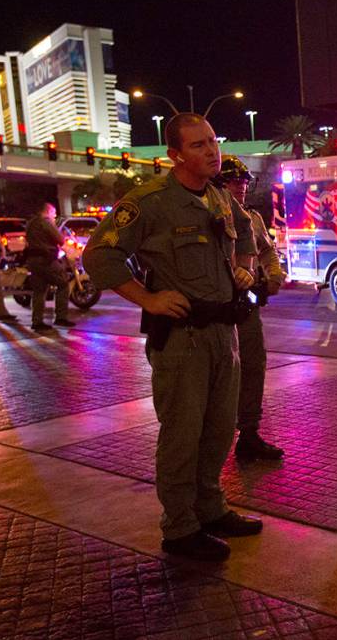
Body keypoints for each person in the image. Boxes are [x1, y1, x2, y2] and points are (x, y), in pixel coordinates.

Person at [83, 113, 262, 562]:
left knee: (220, 430)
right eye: (199, 145)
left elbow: (247, 237)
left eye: (212, 142)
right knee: (183, 434)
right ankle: (180, 528)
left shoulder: (220, 197)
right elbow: (99, 254)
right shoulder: (151, 202)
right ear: (174, 155)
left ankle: (210, 507)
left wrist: (248, 268)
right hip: (183, 341)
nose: (211, 151)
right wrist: (148, 298)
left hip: (225, 333)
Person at [213, 155, 285, 462]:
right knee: (221, 377)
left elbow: (267, 252)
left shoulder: (252, 218)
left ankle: (250, 434)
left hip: (248, 306)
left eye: (244, 182)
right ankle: (215, 442)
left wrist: (274, 274)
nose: (241, 188)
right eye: (234, 182)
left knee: (254, 367)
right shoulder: (209, 215)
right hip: (218, 310)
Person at [24, 202, 73, 332]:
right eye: (53, 213)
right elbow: (60, 239)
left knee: (39, 291)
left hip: (32, 261)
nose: (54, 216)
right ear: (48, 211)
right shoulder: (45, 222)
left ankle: (37, 321)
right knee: (63, 283)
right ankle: (61, 317)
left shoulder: (31, 223)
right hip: (46, 260)